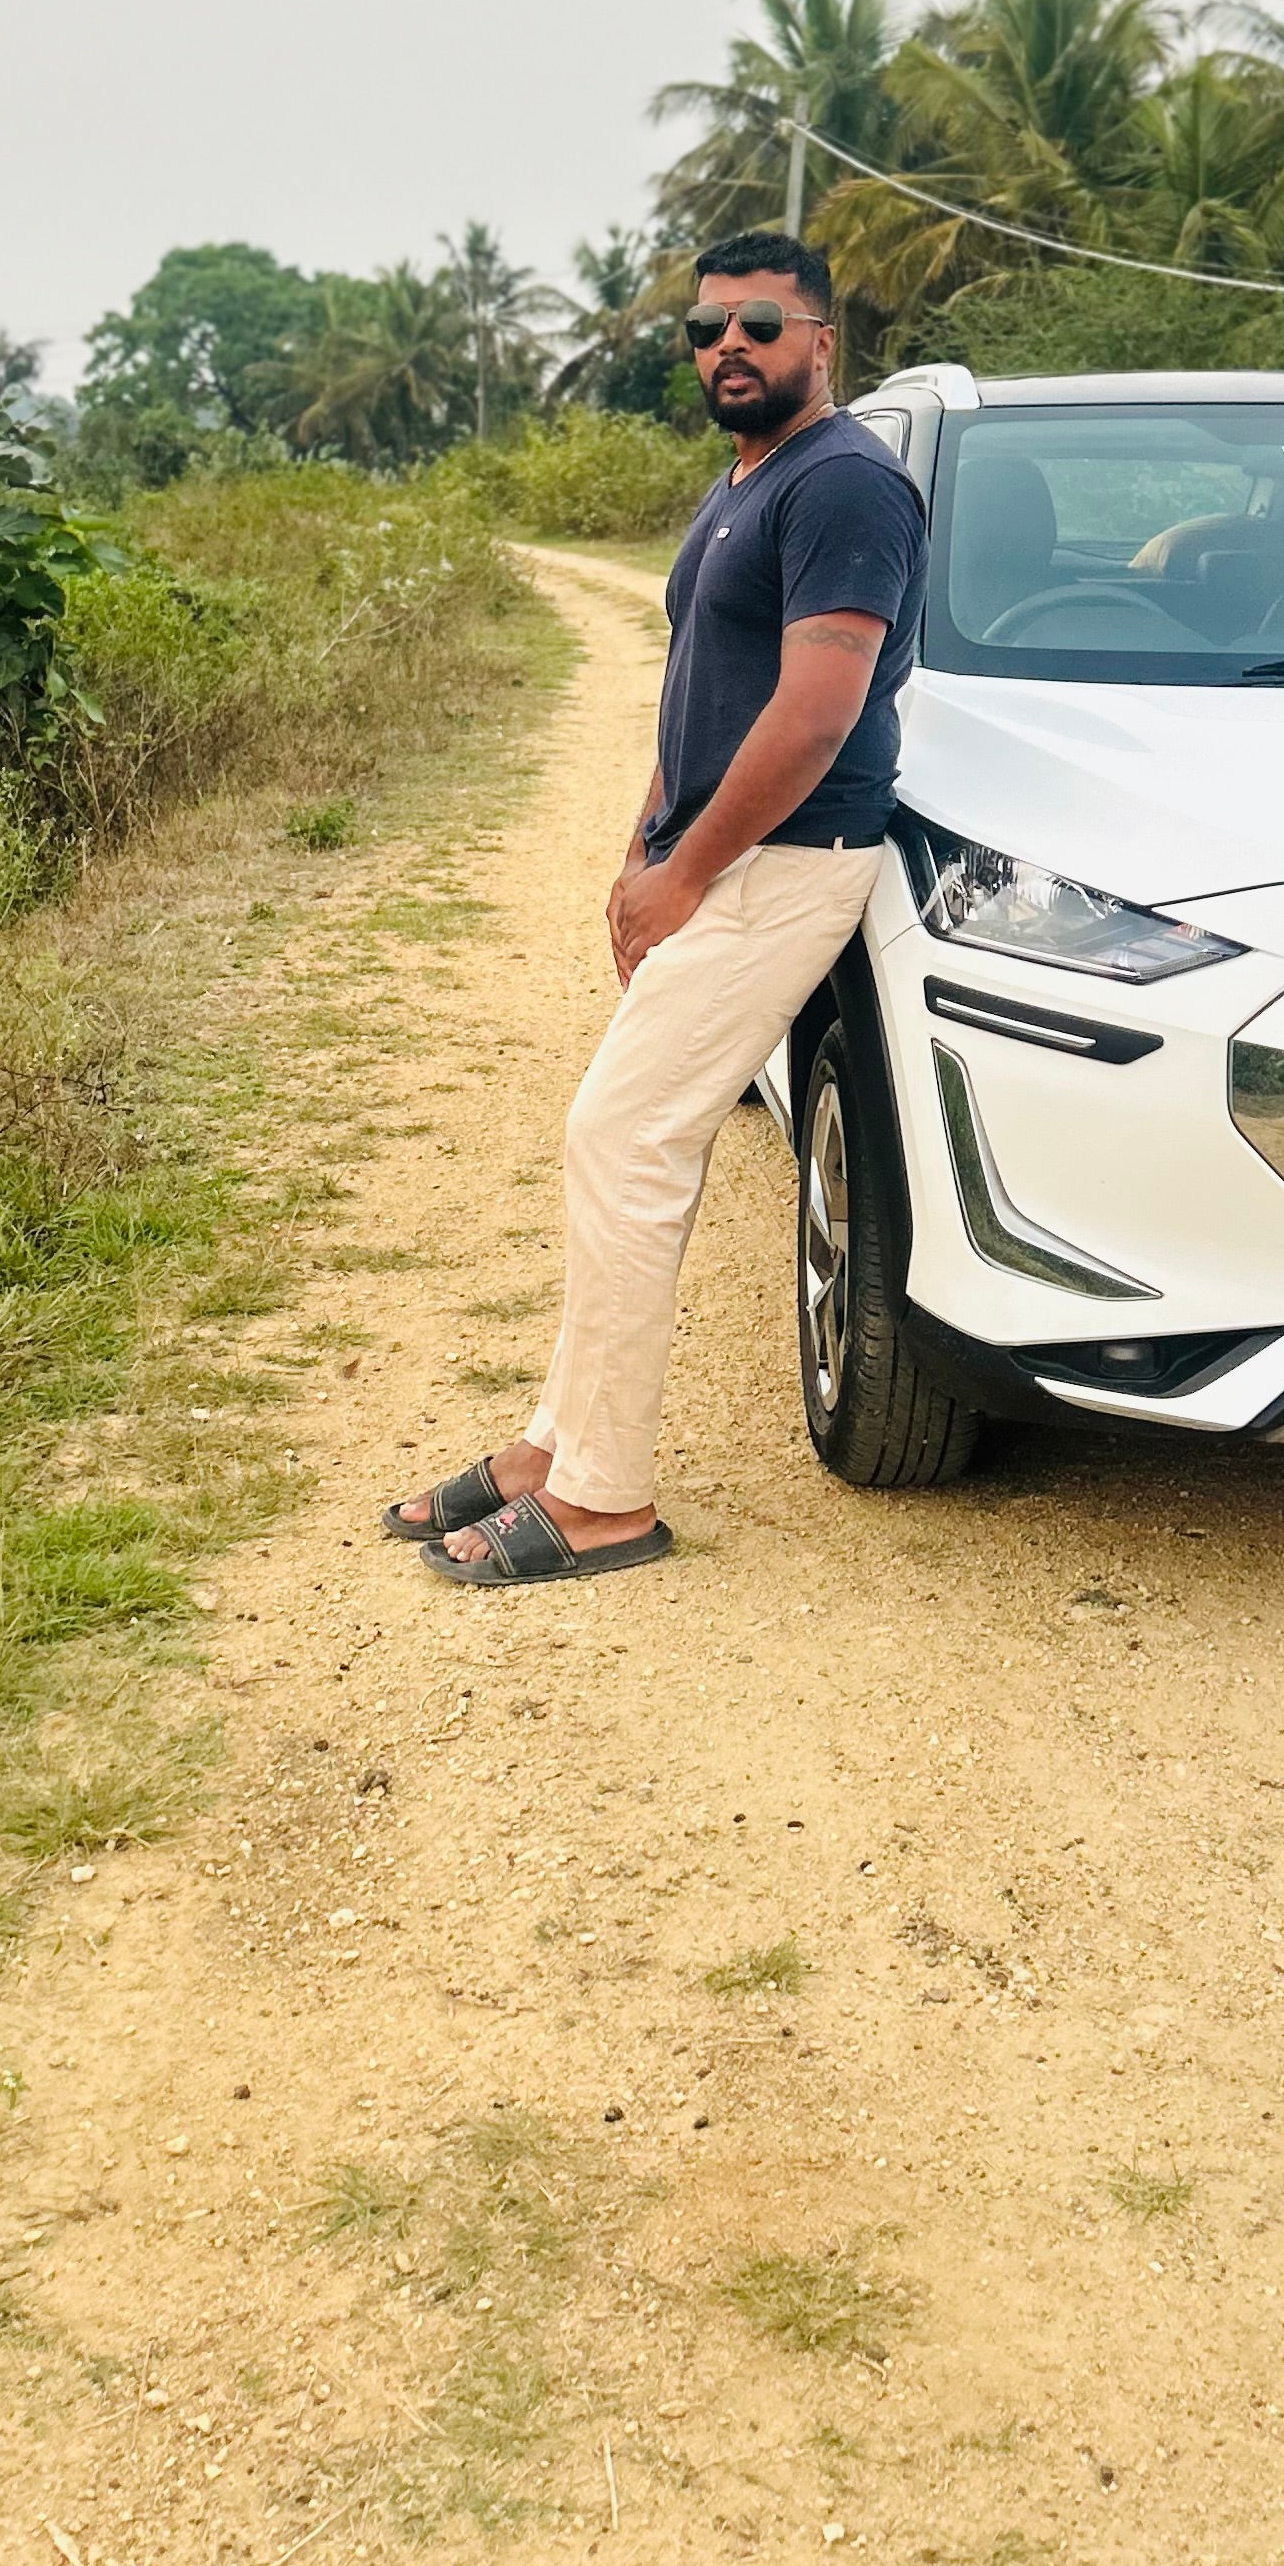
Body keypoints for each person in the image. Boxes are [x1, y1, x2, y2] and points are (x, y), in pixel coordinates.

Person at [385, 228, 927, 1585]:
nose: (727, 348)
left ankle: (607, 1499)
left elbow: (815, 713)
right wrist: (646, 843)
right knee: (611, 1142)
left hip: (789, 857)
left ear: (822, 342)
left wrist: (689, 872)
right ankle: (554, 1450)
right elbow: (706, 676)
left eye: (758, 323)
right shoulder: (747, 478)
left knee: (627, 1141)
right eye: (705, 329)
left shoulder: (847, 482)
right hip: (715, 857)